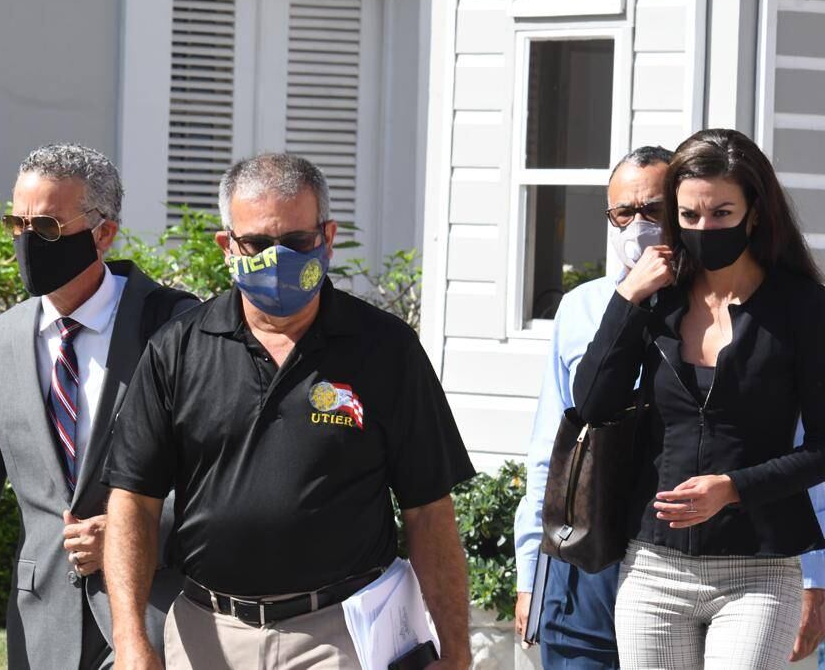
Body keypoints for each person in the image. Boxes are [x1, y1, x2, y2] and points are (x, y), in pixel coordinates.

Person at [101, 153, 476, 669]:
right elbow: (133, 502)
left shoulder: (386, 349)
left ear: (328, 237)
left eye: (296, 242)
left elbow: (429, 512)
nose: (277, 258)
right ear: (227, 246)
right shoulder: (177, 349)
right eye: (257, 244)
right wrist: (129, 638)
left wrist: (456, 652)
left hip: (342, 634)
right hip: (207, 631)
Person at [0, 144, 196, 670]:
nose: (27, 242)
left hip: (157, 619)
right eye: (17, 224)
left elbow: (226, 472)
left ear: (103, 233)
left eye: (48, 228)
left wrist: (136, 532)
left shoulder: (178, 327)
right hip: (42, 636)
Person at [572, 128, 825, 669]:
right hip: (653, 567)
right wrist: (628, 298)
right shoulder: (657, 300)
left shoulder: (803, 308)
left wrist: (733, 488)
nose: (704, 228)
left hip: (758, 570)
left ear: (754, 214)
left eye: (721, 213)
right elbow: (592, 403)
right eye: (689, 216)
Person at [513, 146, 674, 668]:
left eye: (653, 209)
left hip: (679, 576)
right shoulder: (581, 306)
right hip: (583, 577)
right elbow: (551, 449)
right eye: (623, 212)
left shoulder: (712, 309)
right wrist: (530, 574)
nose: (637, 224)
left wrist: (813, 575)